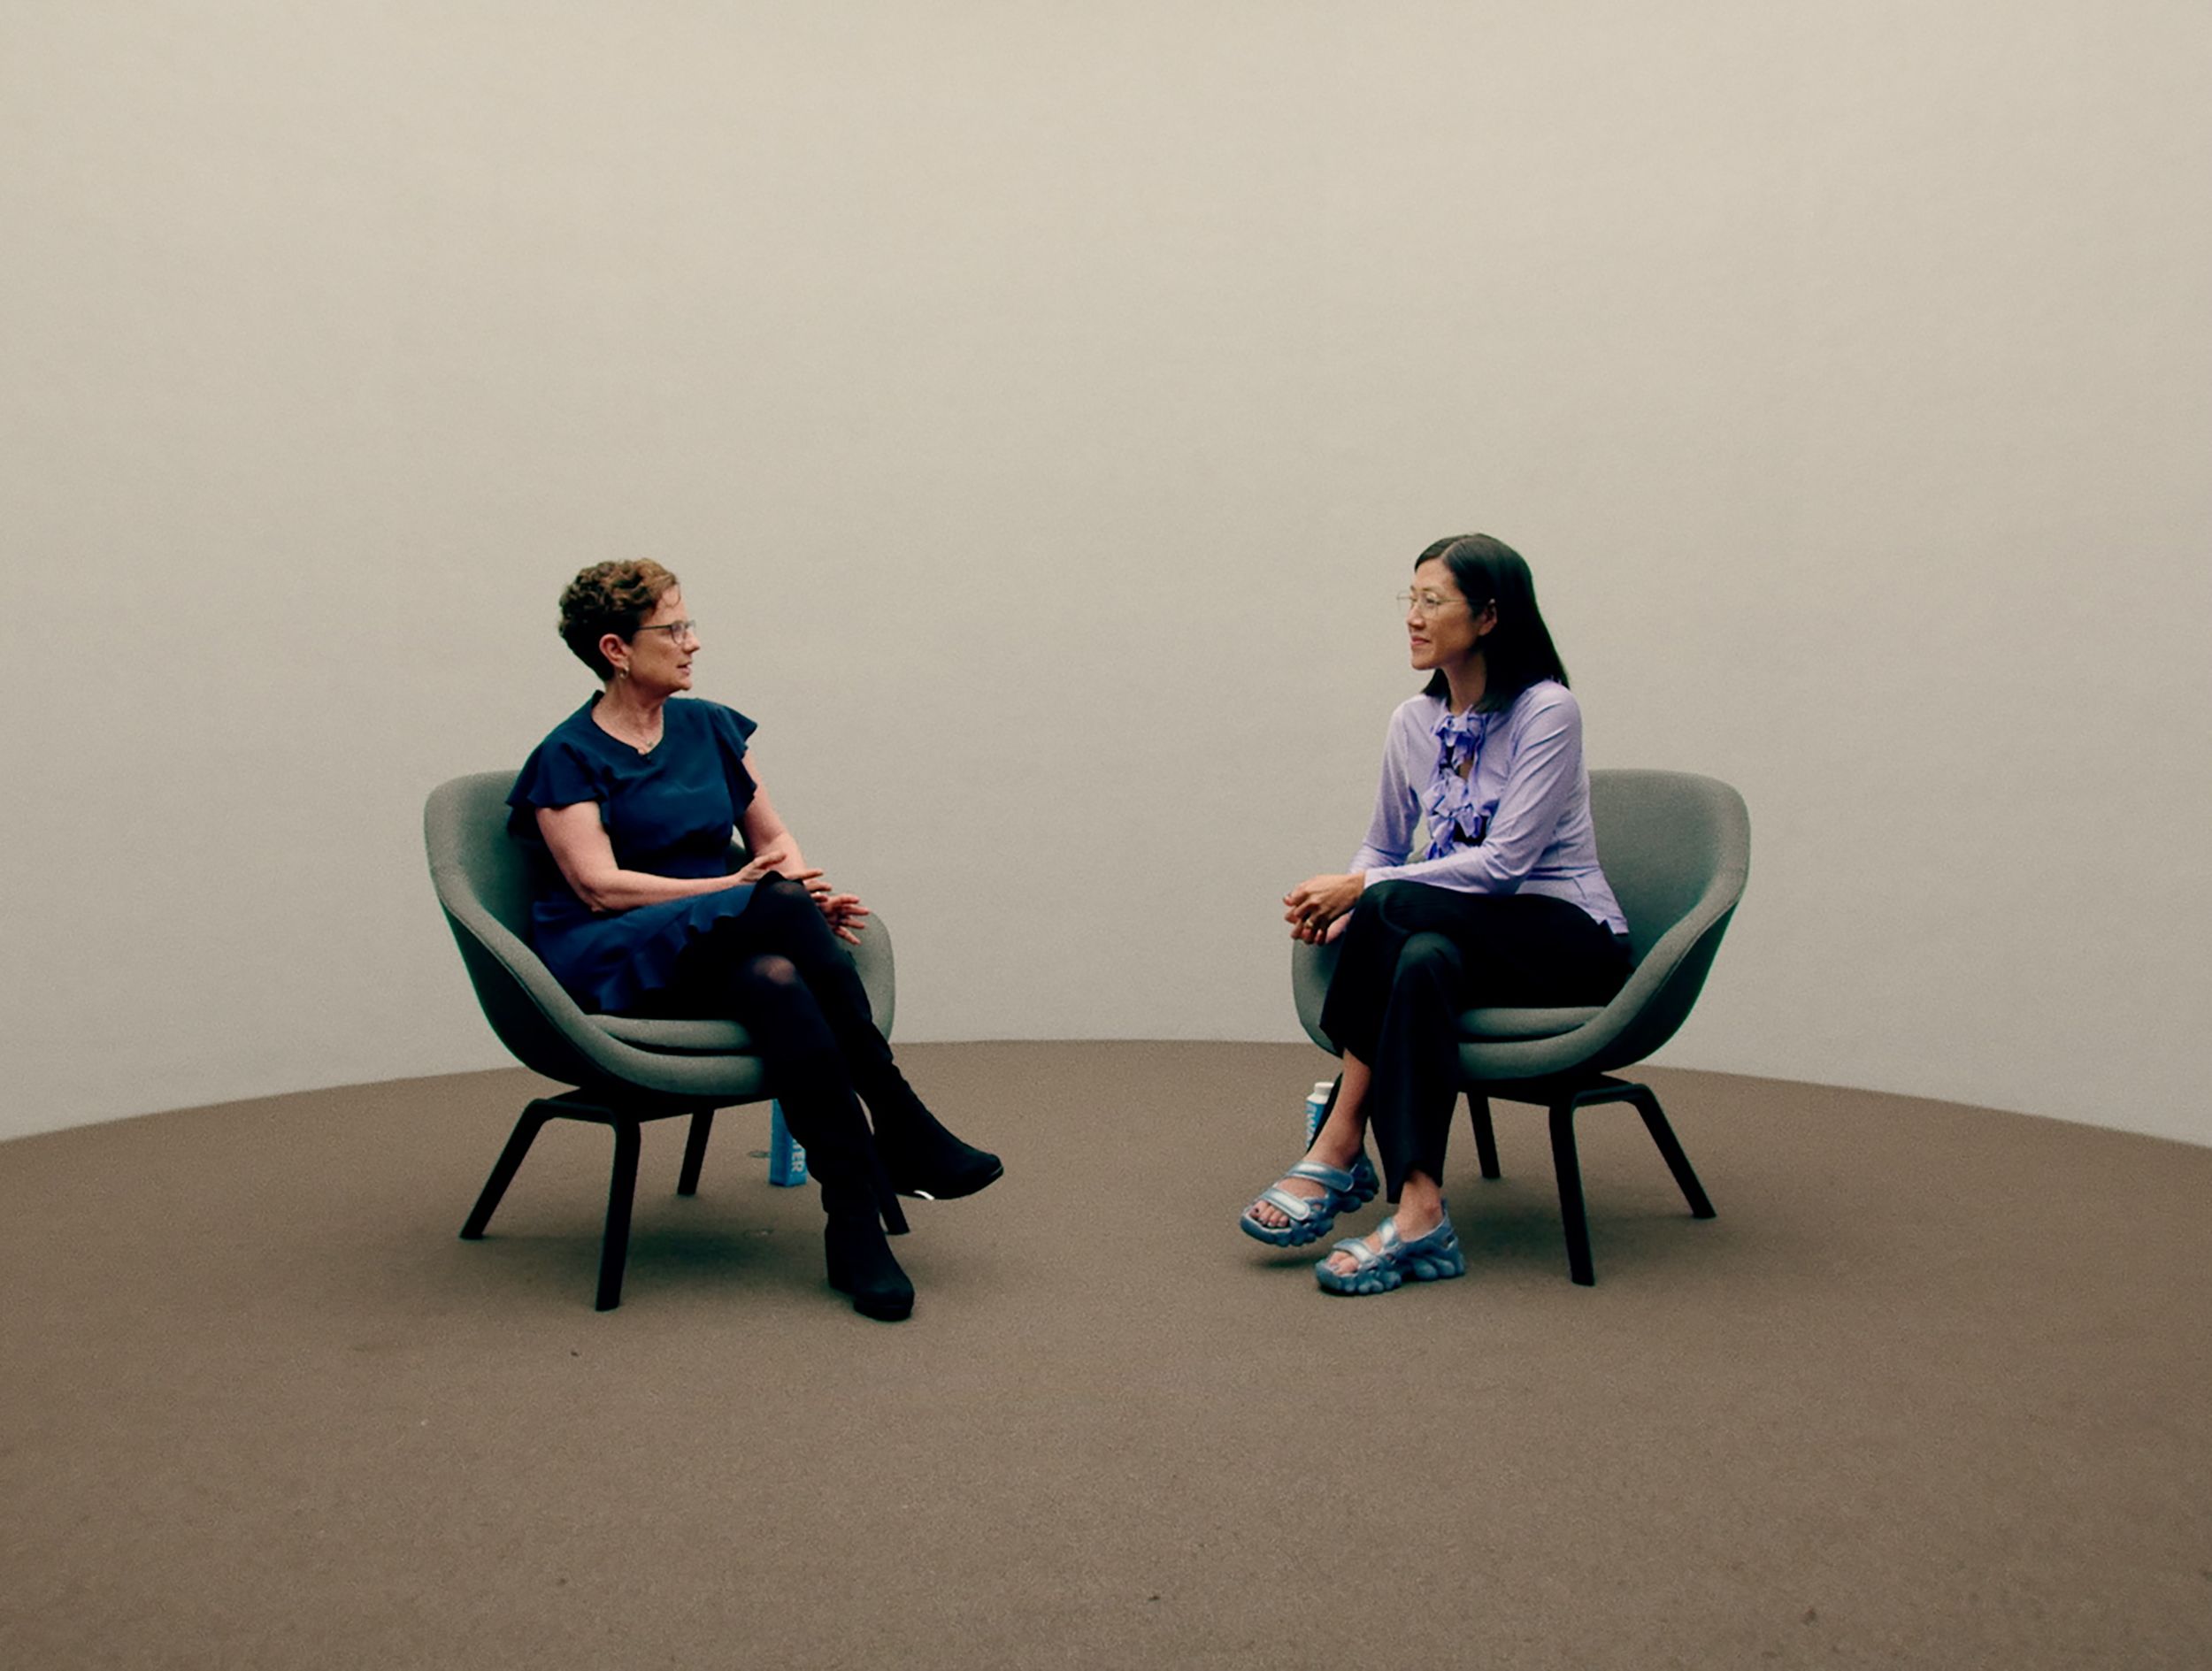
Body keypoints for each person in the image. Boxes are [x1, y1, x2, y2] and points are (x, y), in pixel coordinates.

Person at [506, 560, 1001, 1322]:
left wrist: (800, 897)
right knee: (770, 911)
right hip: (618, 952)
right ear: (615, 648)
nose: (693, 642)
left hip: (724, 936)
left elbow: (774, 839)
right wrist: (746, 893)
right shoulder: (566, 756)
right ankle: (898, 1119)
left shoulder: (712, 726)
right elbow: (599, 885)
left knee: (778, 979)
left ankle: (853, 1226)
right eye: (673, 629)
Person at [1240, 533, 1632, 1296]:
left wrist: (1363, 892)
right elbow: (1382, 843)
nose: (1413, 618)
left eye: (1432, 601)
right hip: (1458, 933)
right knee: (1417, 954)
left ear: (1488, 616)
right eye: (1409, 600)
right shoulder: (1411, 724)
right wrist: (1351, 898)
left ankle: (1341, 1137)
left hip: (1564, 934)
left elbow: (1505, 864)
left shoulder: (1548, 712)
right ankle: (1422, 1211)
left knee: (1387, 900)